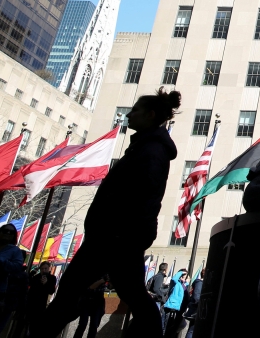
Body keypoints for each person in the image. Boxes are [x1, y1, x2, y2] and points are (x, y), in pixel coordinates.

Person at [35, 88, 181, 338]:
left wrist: (124, 234)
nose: (129, 114)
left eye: (135, 110)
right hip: (114, 235)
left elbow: (145, 198)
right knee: (130, 294)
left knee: (71, 291)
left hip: (115, 237)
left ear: (150, 115)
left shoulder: (152, 152)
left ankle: (41, 332)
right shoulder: (143, 148)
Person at [0, 224, 25, 338]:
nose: (8, 233)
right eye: (5, 231)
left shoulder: (15, 251)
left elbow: (17, 267)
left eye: (11, 232)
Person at [25, 261, 58, 335]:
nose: (44, 270)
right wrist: (32, 273)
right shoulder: (36, 277)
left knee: (35, 325)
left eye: (46, 268)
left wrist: (46, 284)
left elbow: (51, 291)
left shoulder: (52, 278)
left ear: (49, 268)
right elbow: (29, 283)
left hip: (41, 305)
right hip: (31, 303)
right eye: (42, 269)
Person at [162, 270, 188, 337]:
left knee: (172, 327)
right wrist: (182, 272)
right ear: (180, 277)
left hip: (176, 309)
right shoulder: (176, 283)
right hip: (171, 307)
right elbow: (174, 278)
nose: (185, 279)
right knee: (166, 327)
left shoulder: (183, 286)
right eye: (184, 277)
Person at [147, 264, 170, 330]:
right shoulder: (160, 276)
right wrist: (163, 298)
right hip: (156, 301)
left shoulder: (156, 276)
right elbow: (156, 289)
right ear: (165, 270)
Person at [183, 269, 203, 338]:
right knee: (192, 330)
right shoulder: (200, 283)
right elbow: (196, 297)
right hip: (196, 311)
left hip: (198, 311)